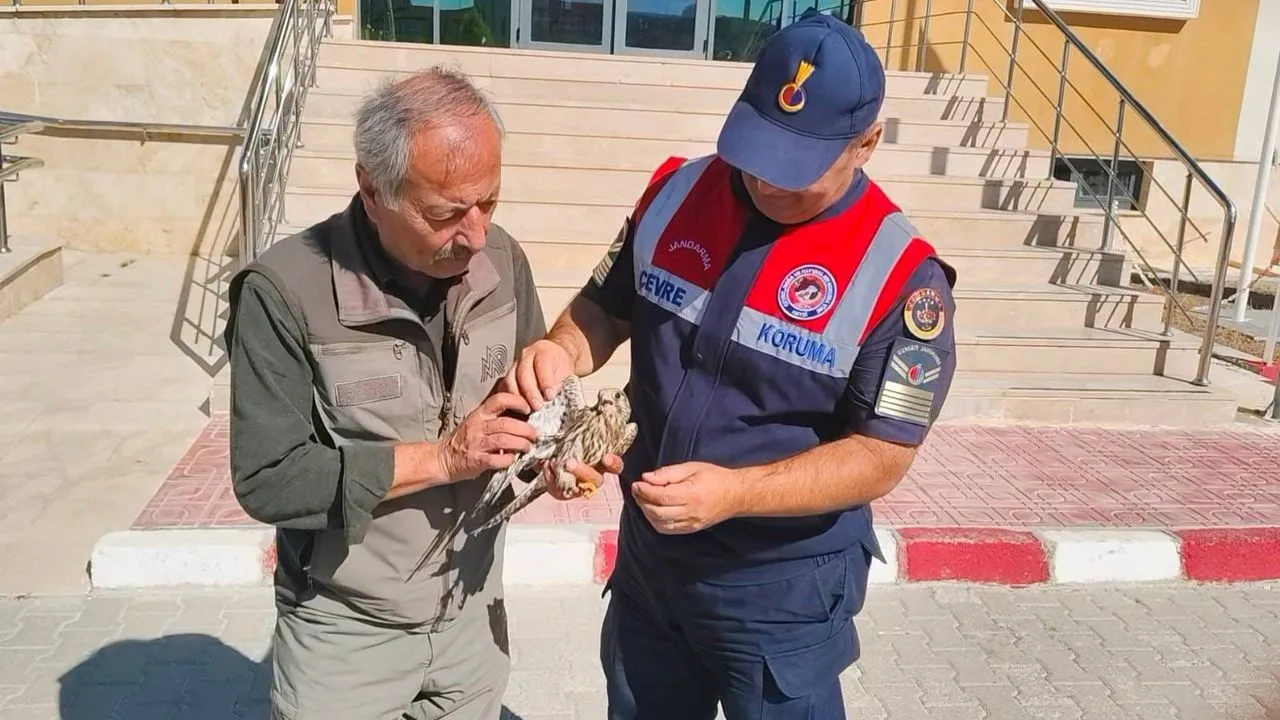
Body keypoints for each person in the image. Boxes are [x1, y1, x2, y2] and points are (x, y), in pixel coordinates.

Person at [503, 10, 958, 720]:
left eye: (795, 166)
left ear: (867, 143)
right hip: (651, 569)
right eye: (756, 150)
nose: (765, 182)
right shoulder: (677, 192)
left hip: (778, 588)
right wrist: (561, 349)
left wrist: (737, 493)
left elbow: (880, 456)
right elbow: (606, 307)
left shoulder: (901, 279)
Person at [222, 67, 604, 720]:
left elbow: (531, 410)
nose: (477, 233)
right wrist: (444, 458)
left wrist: (557, 465)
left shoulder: (502, 261)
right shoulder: (283, 292)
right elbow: (268, 480)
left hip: (472, 620)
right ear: (372, 190)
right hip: (347, 633)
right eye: (446, 213)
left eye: (490, 202)